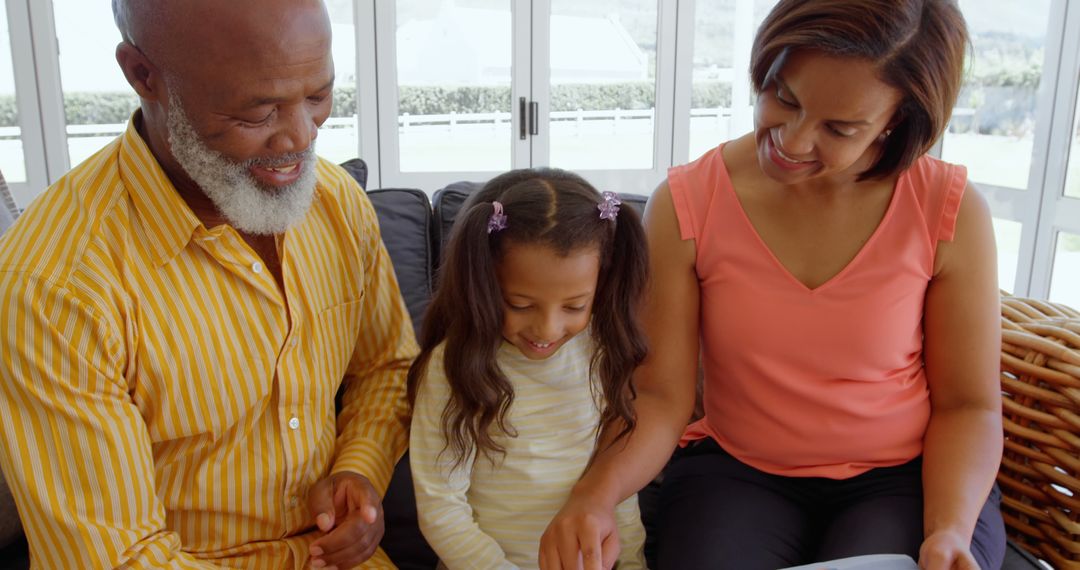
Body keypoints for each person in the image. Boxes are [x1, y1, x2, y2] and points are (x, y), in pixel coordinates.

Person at [541, 1, 1005, 569]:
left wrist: (951, 530)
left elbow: (968, 405)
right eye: (783, 96)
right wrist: (594, 495)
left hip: (905, 479)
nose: (792, 139)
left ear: (897, 119)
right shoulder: (688, 203)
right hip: (738, 470)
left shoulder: (948, 211)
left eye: (839, 128)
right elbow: (663, 396)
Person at [0, 0, 417, 568]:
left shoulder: (337, 204)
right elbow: (117, 558)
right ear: (143, 75)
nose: (300, 137)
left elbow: (386, 367)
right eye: (257, 113)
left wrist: (359, 470)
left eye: (318, 96)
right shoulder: (56, 286)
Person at [408, 169, 649, 569]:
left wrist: (633, 563)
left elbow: (617, 484)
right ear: (484, 285)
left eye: (574, 306)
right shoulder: (452, 369)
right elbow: (441, 508)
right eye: (520, 305)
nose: (547, 329)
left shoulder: (603, 352)